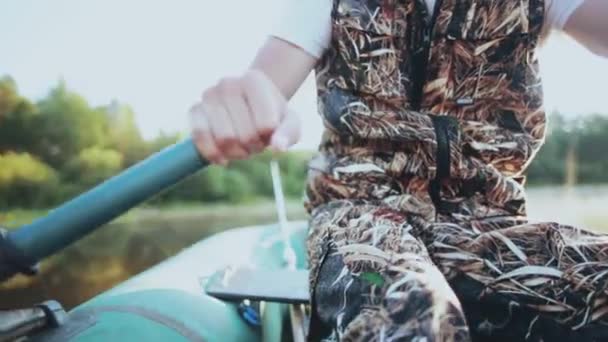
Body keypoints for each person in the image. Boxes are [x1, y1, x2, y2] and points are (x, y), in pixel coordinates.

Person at [189, 0, 608, 340]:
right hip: (360, 215)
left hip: (487, 222)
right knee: (413, 310)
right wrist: (246, 100)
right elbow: (264, 83)